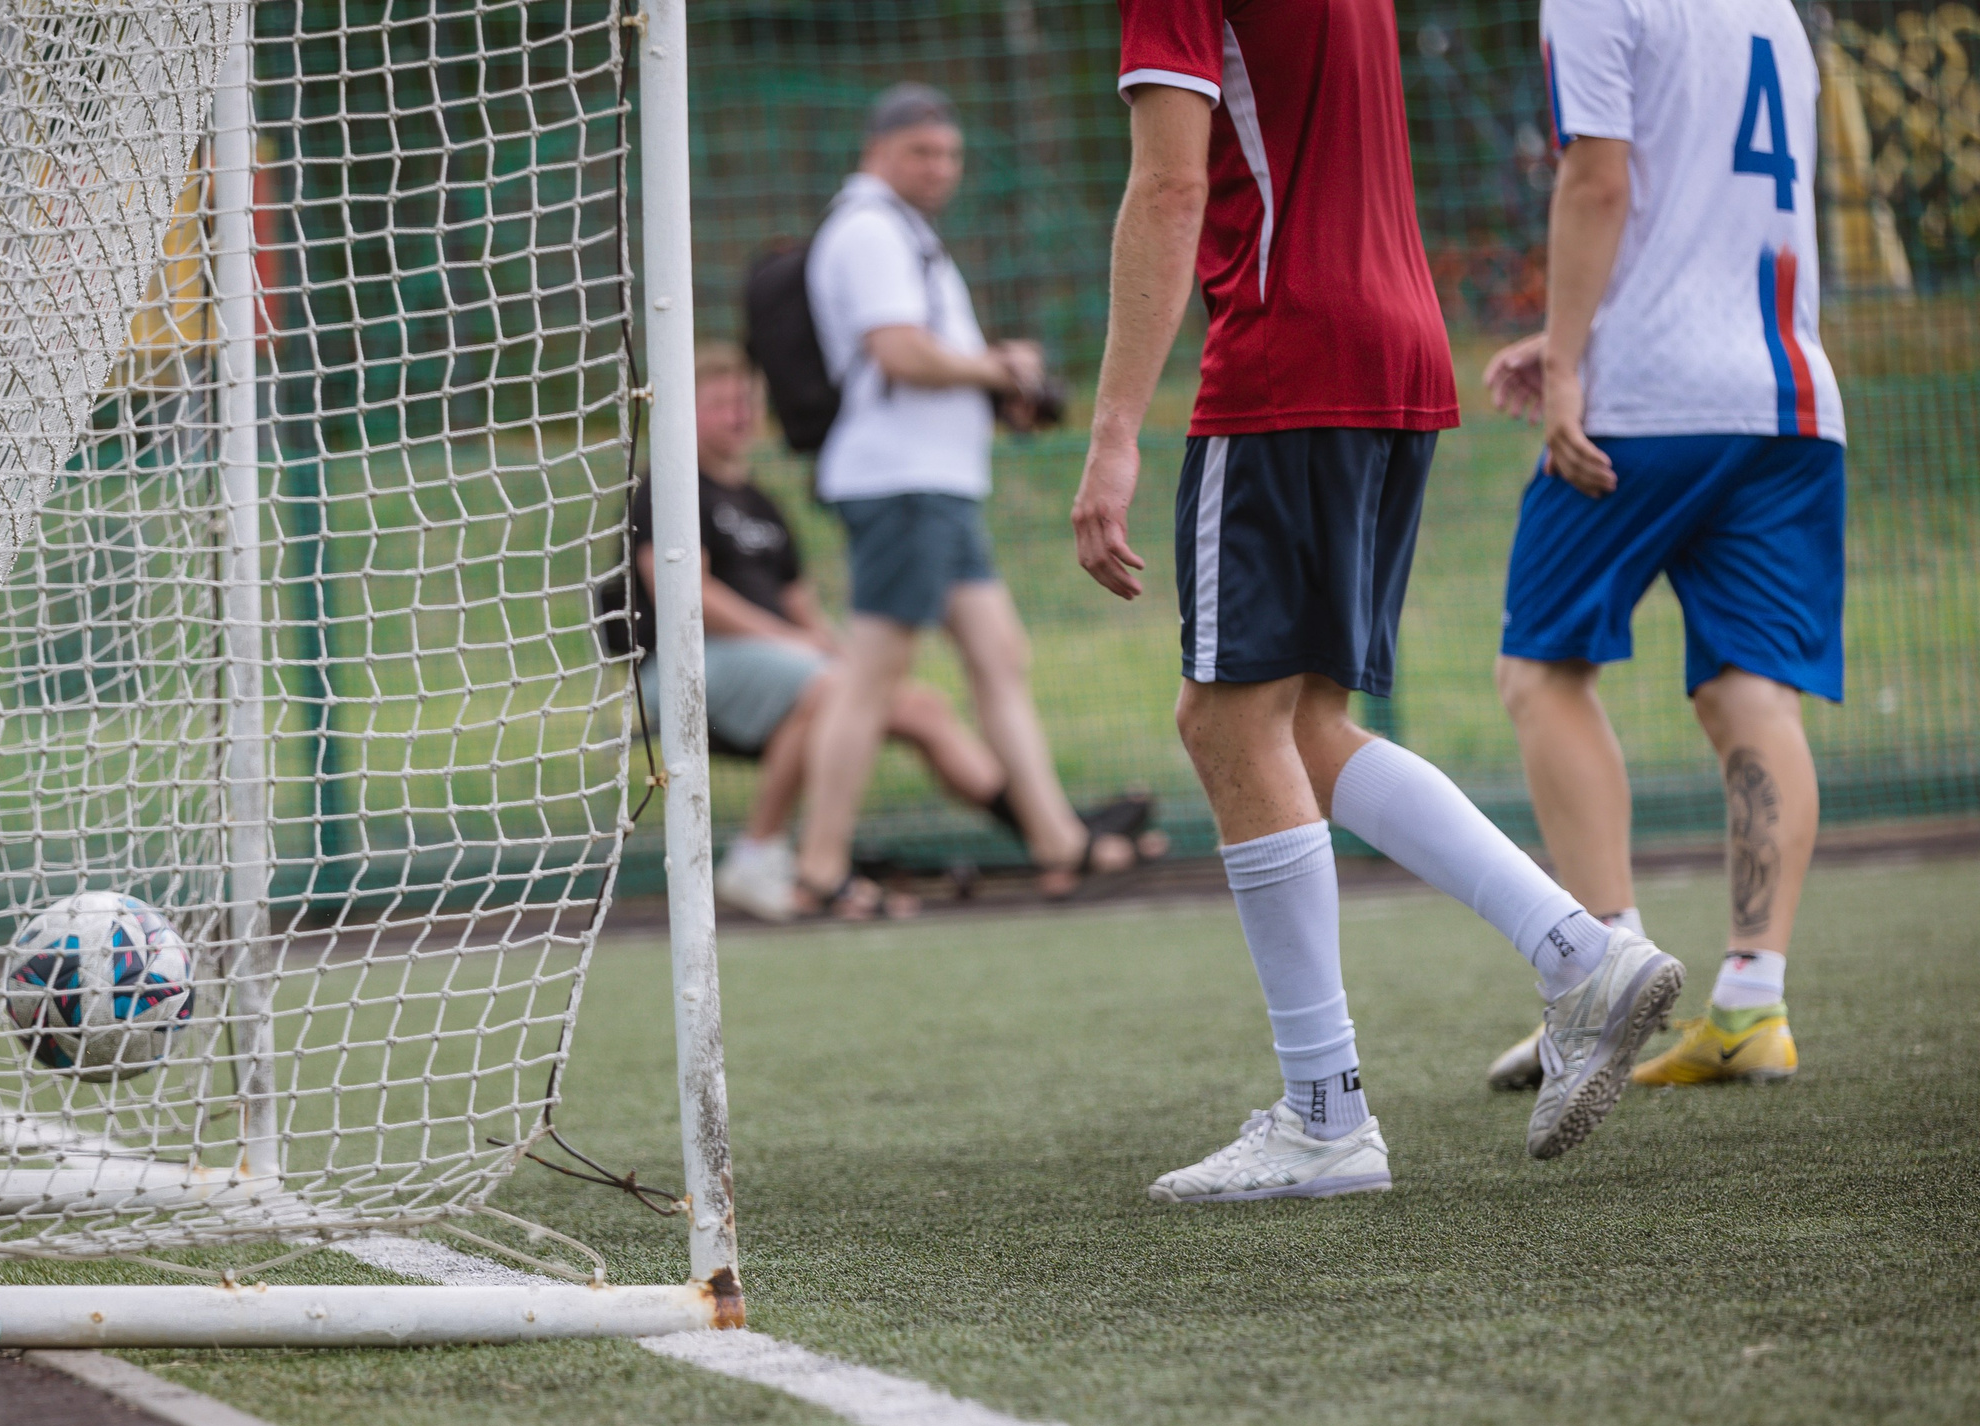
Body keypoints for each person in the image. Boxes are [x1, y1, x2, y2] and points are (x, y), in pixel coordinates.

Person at [1070, 0, 1685, 1201]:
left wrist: (1111, 436)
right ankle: (1577, 953)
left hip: (1287, 358)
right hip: (1396, 349)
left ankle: (1325, 1116)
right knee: (1303, 723)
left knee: (1224, 722)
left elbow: (1167, 189)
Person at [1478, 0, 1843, 1092]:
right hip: (1787, 399)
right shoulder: (1772, 10)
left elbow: (1598, 181)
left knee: (1539, 670)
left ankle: (1602, 977)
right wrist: (1579, 332)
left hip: (1650, 401)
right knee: (1750, 694)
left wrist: (1575, 365)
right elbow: (1712, 206)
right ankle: (1750, 1005)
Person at [610, 343, 1160, 923]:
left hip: (785, 664)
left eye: (746, 401)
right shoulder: (668, 488)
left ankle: (1057, 835)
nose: (740, 414)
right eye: (722, 404)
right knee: (829, 690)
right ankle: (758, 853)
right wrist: (795, 646)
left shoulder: (761, 504)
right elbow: (688, 597)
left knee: (920, 707)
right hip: (689, 673)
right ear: (687, 412)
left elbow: (803, 608)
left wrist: (839, 651)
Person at [795, 83, 1142, 919]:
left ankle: (1058, 839)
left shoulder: (906, 232)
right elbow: (901, 354)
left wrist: (991, 380)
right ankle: (819, 866)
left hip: (938, 482)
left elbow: (924, 358)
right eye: (922, 151)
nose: (940, 168)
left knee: (999, 653)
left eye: (950, 153)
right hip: (902, 483)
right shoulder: (869, 228)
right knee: (874, 672)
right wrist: (1000, 369)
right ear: (878, 150)